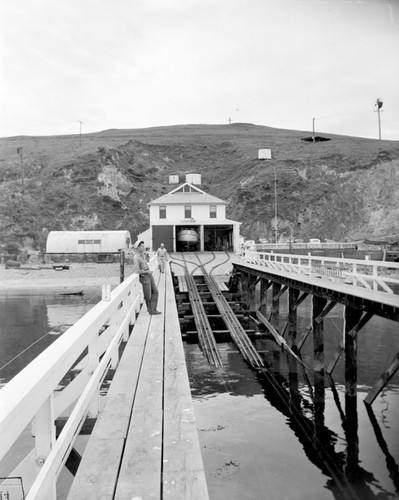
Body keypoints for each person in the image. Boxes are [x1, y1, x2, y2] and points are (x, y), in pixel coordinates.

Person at [133, 240, 161, 315]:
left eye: (143, 246)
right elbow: (136, 271)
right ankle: (151, 310)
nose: (144, 247)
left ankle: (153, 309)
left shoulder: (142, 255)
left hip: (149, 275)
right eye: (142, 246)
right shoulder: (136, 258)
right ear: (138, 247)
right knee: (148, 295)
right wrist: (146, 272)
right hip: (144, 277)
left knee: (155, 291)